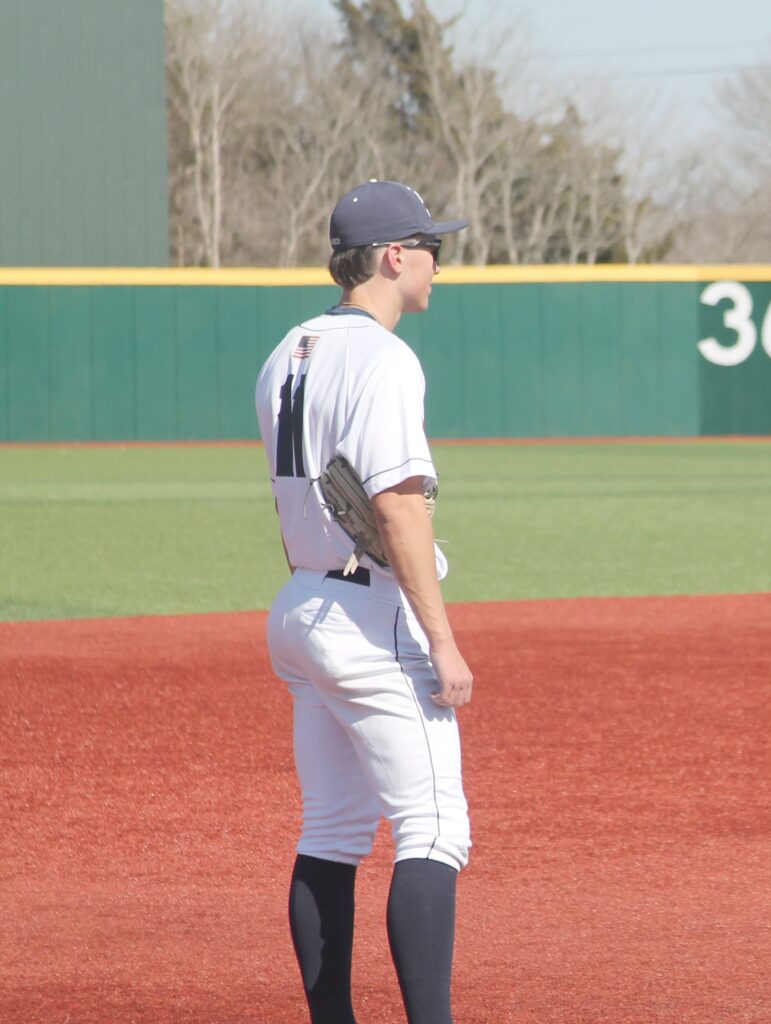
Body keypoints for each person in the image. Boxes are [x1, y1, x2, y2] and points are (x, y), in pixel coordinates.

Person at [254, 179, 475, 1024]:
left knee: (335, 832)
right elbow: (398, 506)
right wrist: (442, 641)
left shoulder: (289, 349)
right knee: (431, 828)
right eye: (431, 248)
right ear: (393, 258)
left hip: (301, 603)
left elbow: (288, 499)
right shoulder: (385, 359)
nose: (438, 264)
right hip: (366, 612)